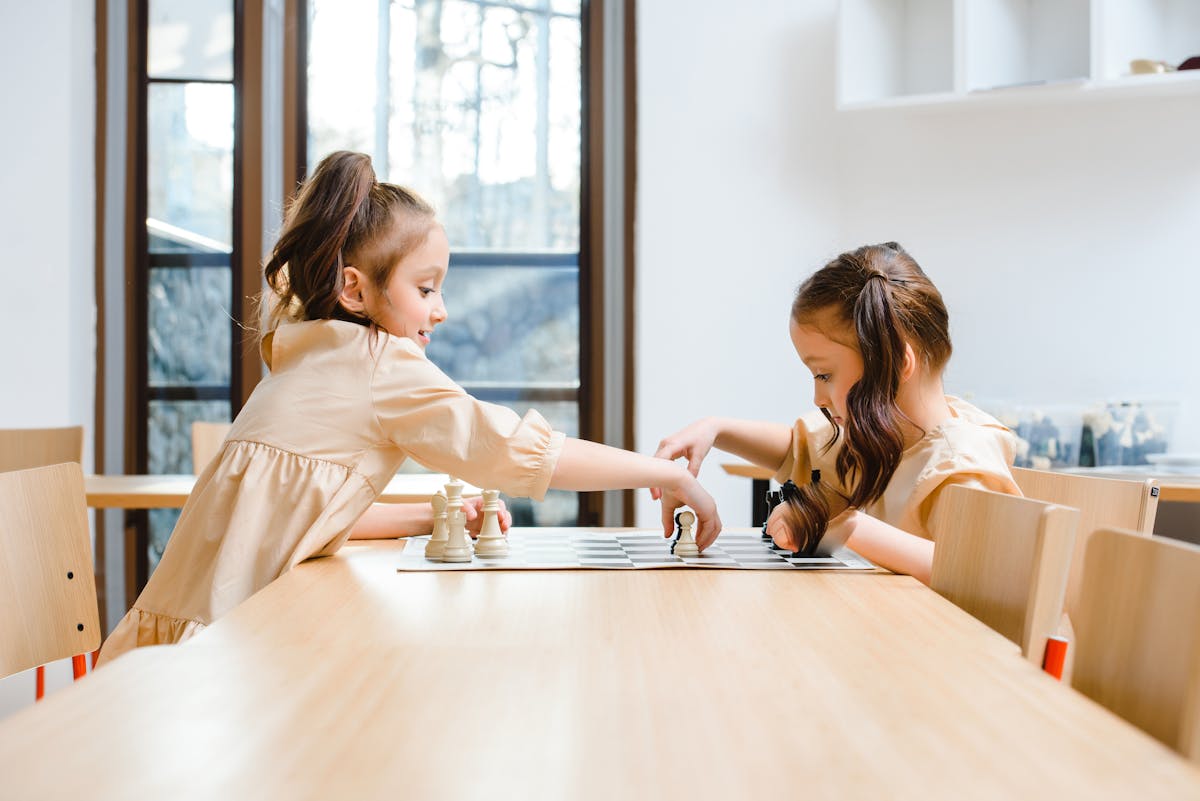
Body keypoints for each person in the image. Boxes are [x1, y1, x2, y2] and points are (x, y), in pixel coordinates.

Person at [98, 151, 720, 665]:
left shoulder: (308, 356)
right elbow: (511, 449)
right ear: (355, 289)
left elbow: (301, 517)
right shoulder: (376, 361)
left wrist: (431, 512)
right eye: (425, 289)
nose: (440, 309)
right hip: (216, 661)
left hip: (167, 653)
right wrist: (662, 472)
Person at [653, 242, 1017, 585]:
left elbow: (978, 578)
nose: (817, 397)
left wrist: (849, 528)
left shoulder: (961, 463)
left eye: (824, 375)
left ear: (895, 364)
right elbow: (794, 447)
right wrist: (714, 429)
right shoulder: (885, 438)